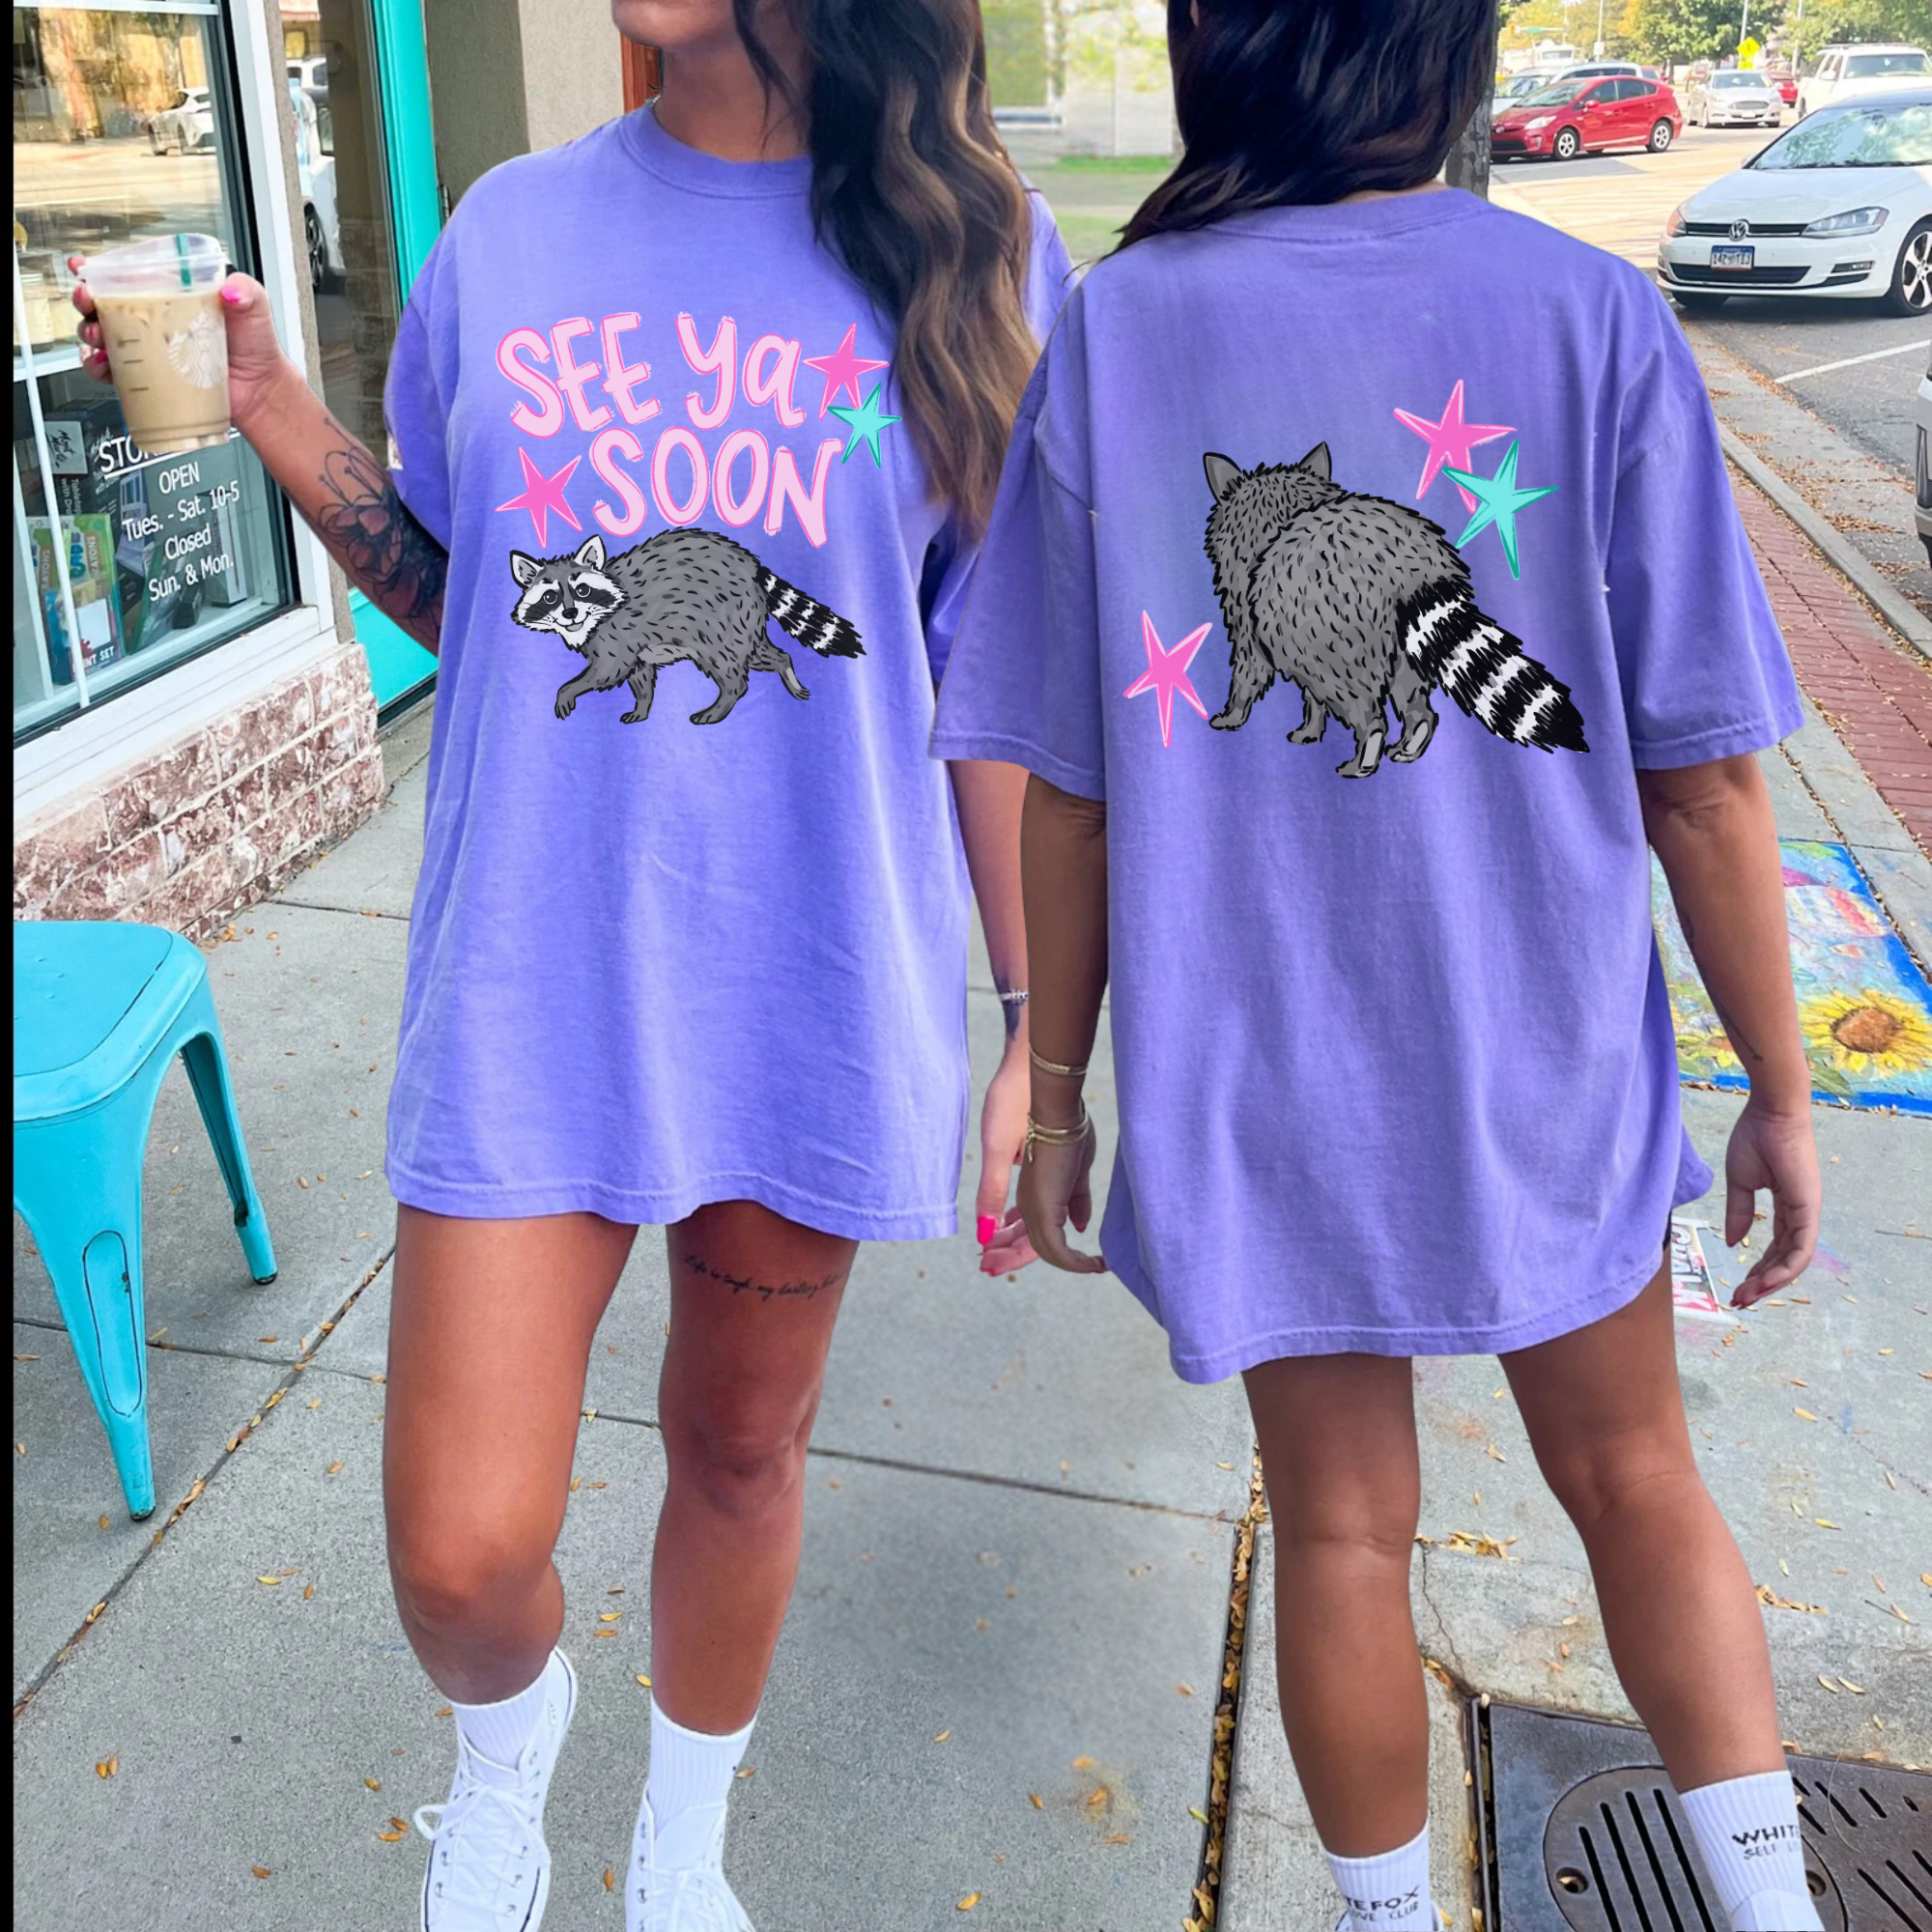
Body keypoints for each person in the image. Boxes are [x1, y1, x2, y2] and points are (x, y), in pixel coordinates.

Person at [75, 3, 1068, 1927]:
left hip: (807, 975)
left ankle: (680, 1849)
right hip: (535, 974)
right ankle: (508, 1750)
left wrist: (1043, 1025)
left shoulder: (979, 252)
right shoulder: (508, 233)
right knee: (458, 1551)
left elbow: (996, 687)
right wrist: (271, 409)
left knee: (740, 1450)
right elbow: (478, 598)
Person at [929, 5, 1826, 1930]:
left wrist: (1055, 1086)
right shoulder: (1592, 318)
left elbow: (1066, 795)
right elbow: (1704, 785)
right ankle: (1773, 1910)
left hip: (1258, 1074)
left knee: (1340, 1527)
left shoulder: (1123, 326)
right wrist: (1778, 1082)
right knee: (1636, 1476)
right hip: (1539, 1054)